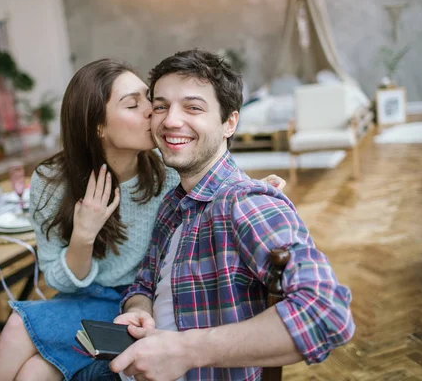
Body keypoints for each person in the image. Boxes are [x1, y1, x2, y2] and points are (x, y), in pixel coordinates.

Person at [0, 58, 285, 381]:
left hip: (140, 301)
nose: (152, 113)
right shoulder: (53, 181)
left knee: (33, 370)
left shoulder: (168, 166)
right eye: (133, 104)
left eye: (148, 100)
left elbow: (211, 176)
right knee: (23, 345)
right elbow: (58, 281)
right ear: (98, 126)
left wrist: (252, 188)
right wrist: (84, 235)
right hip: (86, 298)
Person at [111, 49, 355, 381]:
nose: (170, 120)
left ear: (229, 123)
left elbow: (325, 312)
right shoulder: (173, 202)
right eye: (161, 106)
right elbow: (145, 280)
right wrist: (139, 309)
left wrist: (185, 351)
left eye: (193, 107)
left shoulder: (246, 202)